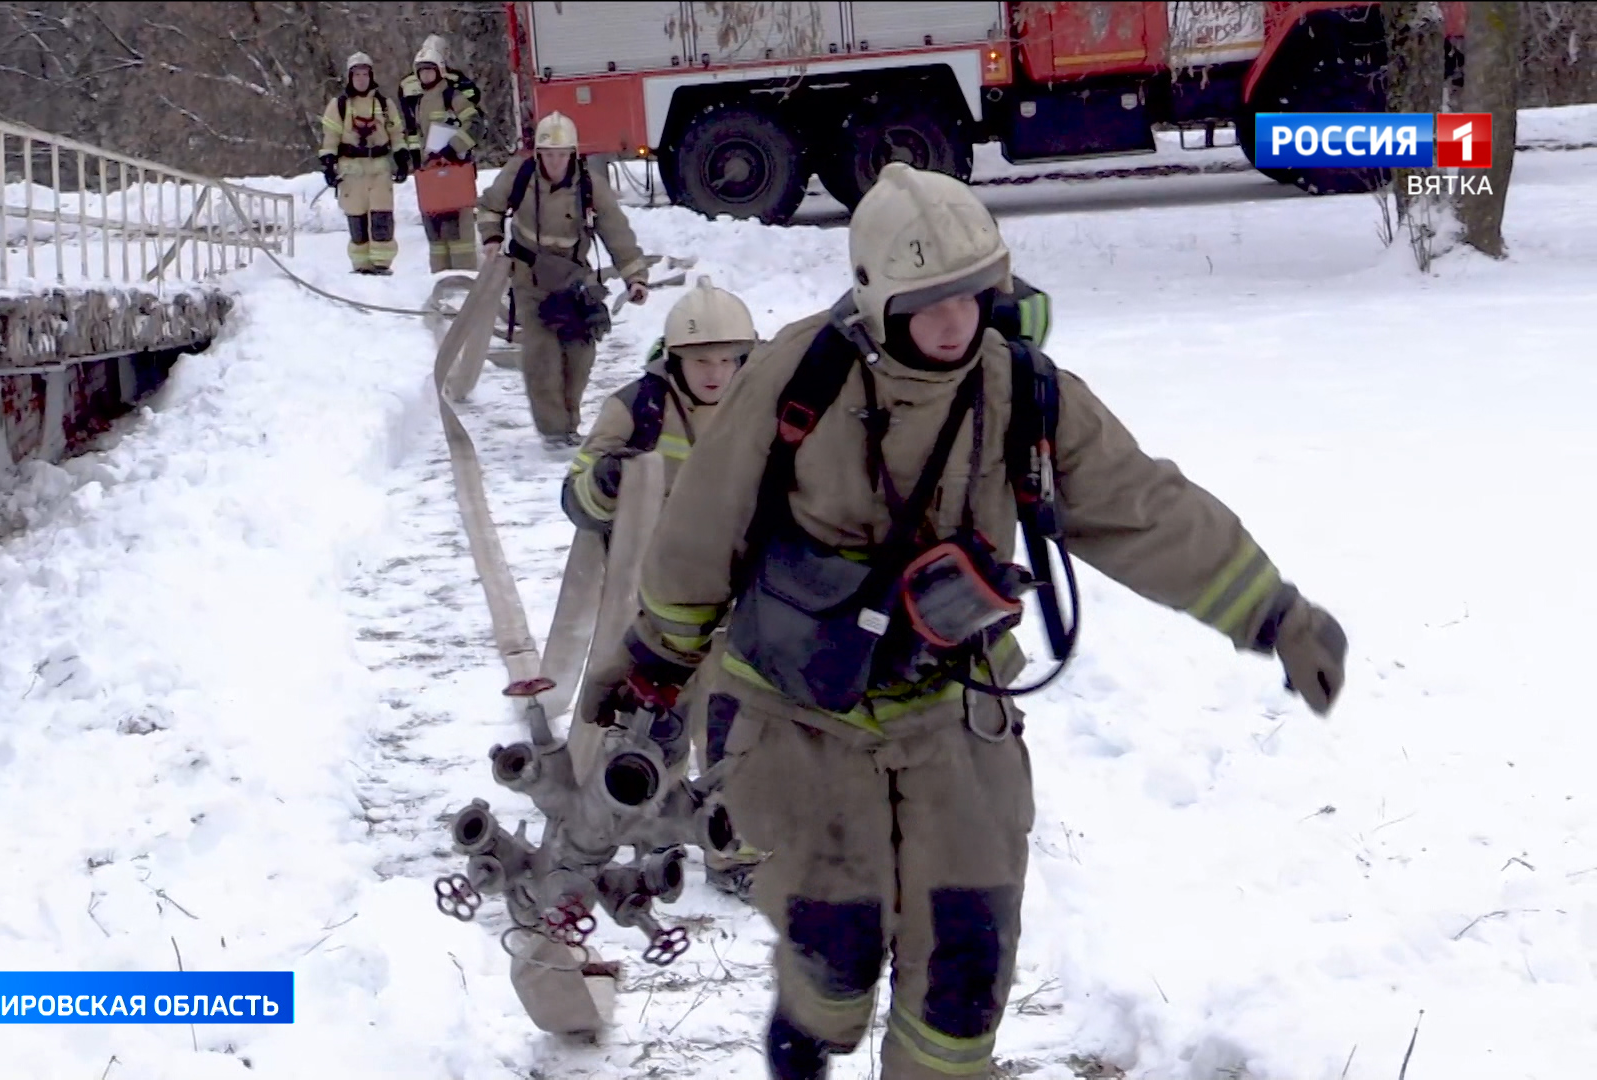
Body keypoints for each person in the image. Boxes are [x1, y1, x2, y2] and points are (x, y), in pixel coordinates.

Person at [584, 163, 1348, 1079]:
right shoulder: (799, 375)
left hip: (954, 708)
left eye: (973, 296)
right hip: (797, 717)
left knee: (966, 965)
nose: (955, 324)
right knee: (835, 953)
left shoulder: (1022, 387)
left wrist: (1276, 615)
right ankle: (807, 1037)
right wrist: (656, 660)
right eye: (929, 304)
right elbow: (703, 526)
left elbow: (1141, 506)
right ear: (877, 301)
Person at [560, 276, 764, 897]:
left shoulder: (768, 402)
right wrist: (610, 482)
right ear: (676, 358)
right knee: (658, 725)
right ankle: (654, 840)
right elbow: (576, 494)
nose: (715, 373)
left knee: (738, 728)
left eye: (728, 360)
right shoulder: (635, 408)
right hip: (662, 604)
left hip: (743, 594)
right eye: (702, 361)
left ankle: (736, 851)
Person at [476, 111, 650, 451]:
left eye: (562, 154)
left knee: (580, 353)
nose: (555, 162)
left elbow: (617, 232)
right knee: (542, 356)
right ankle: (554, 432)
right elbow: (490, 207)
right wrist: (492, 237)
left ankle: (570, 421)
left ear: (573, 154)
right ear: (538, 154)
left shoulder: (589, 186)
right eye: (548, 154)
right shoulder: (519, 174)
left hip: (573, 279)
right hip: (529, 277)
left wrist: (635, 277)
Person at [320, 52, 407, 275]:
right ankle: (360, 266)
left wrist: (402, 158)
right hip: (351, 171)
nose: (361, 79)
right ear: (350, 77)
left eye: (364, 74)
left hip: (379, 168)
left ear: (371, 76)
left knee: (382, 218)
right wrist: (328, 165)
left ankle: (382, 264)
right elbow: (330, 137)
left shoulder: (384, 104)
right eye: (356, 75)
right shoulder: (338, 106)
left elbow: (396, 133)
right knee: (356, 220)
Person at [400, 41, 482, 272]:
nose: (426, 75)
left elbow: (475, 124)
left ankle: (465, 280)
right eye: (422, 71)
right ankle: (440, 279)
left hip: (454, 171)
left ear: (440, 70)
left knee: (460, 236)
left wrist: (453, 147)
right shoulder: (420, 102)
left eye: (430, 69)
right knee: (436, 237)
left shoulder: (451, 95)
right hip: (432, 175)